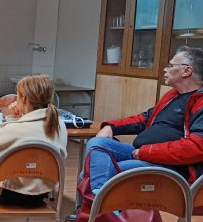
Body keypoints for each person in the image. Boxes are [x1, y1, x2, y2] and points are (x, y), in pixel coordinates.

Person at [85, 45, 203, 192]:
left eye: (170, 66)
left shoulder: (200, 102)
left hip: (170, 167)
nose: (165, 69)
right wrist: (110, 127)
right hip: (141, 154)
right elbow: (144, 118)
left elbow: (196, 147)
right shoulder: (173, 95)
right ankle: (99, 200)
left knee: (103, 171)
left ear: (186, 71)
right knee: (96, 144)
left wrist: (147, 152)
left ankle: (97, 200)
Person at [0, 74, 67, 206]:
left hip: (8, 195)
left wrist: (13, 121)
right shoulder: (58, 125)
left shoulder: (13, 129)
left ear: (24, 98)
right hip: (41, 194)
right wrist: (19, 117)